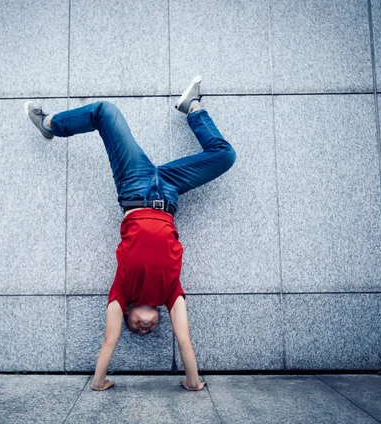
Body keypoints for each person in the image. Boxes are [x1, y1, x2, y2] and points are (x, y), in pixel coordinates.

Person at [25, 75, 236, 392]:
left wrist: (98, 382)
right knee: (225, 155)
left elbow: (110, 339)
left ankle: (50, 124)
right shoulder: (171, 294)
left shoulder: (120, 293)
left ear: (125, 313)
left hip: (135, 186)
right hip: (170, 191)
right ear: (159, 317)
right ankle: (192, 108)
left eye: (136, 329)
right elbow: (184, 337)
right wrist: (193, 381)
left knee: (105, 112)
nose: (144, 328)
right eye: (148, 331)